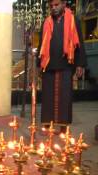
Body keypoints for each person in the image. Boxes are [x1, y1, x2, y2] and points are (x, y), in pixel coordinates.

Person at [38, 0, 87, 133]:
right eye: (51, 6)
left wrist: (80, 64)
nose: (53, 8)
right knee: (48, 96)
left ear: (64, 4)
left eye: (56, 5)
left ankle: (63, 126)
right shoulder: (47, 21)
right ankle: (47, 124)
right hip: (48, 64)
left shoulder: (73, 20)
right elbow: (41, 45)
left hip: (66, 64)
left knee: (65, 96)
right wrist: (39, 65)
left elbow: (79, 43)